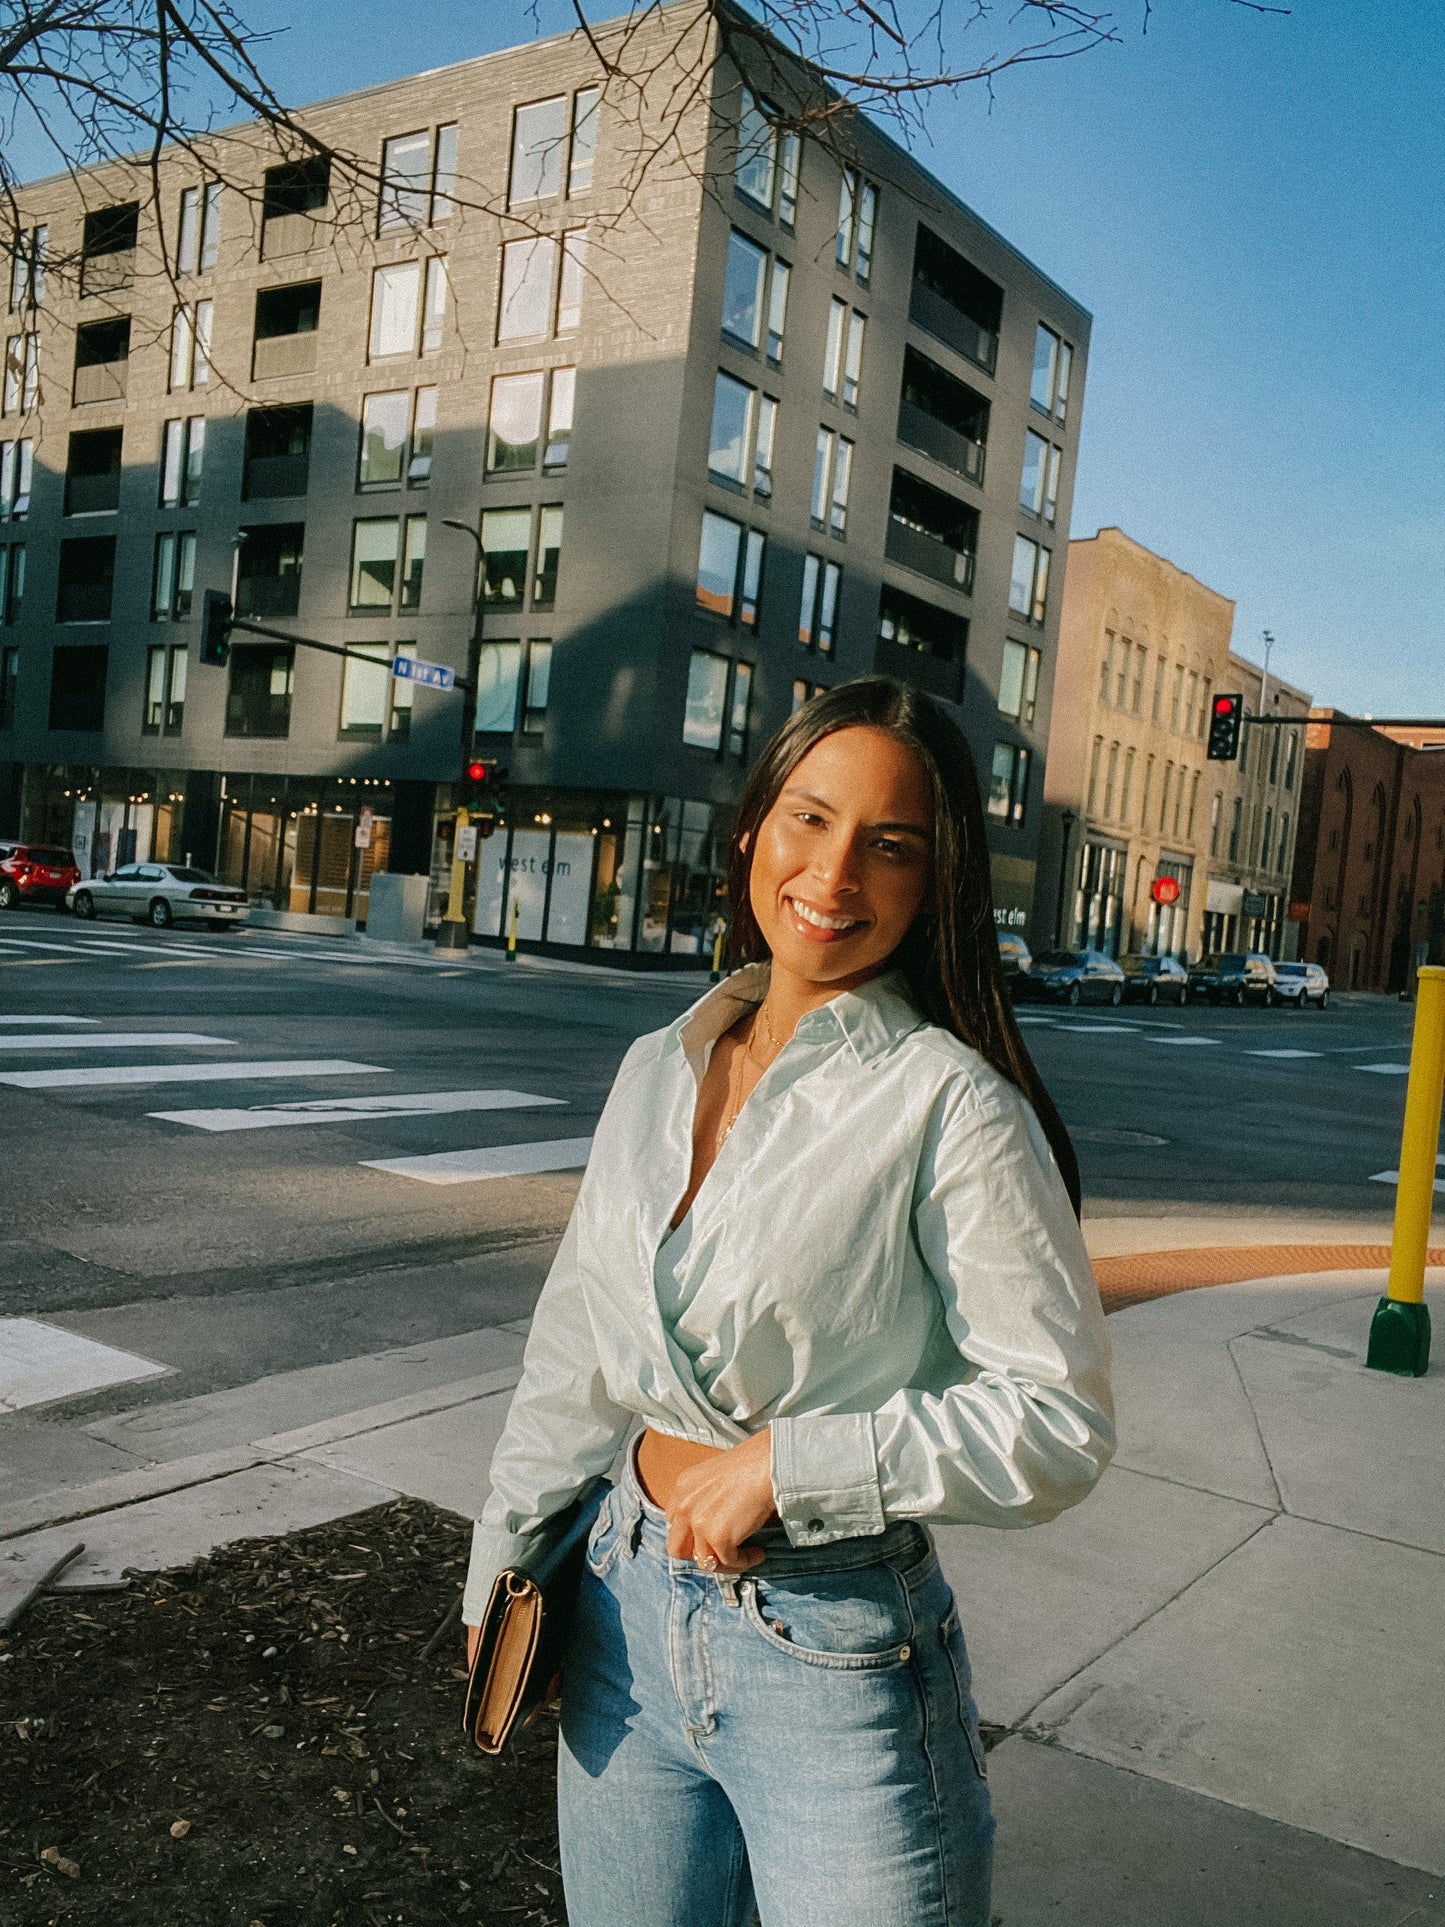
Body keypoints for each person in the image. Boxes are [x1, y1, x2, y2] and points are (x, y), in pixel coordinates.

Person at [462, 677, 1113, 1927]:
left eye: (891, 843)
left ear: (934, 884)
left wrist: (790, 1466)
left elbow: (1056, 1421)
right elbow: (574, 1345)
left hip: (835, 1651)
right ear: (752, 828)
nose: (835, 871)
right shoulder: (660, 1063)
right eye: (809, 819)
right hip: (617, 1620)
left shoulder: (948, 1105)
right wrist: (504, 1553)